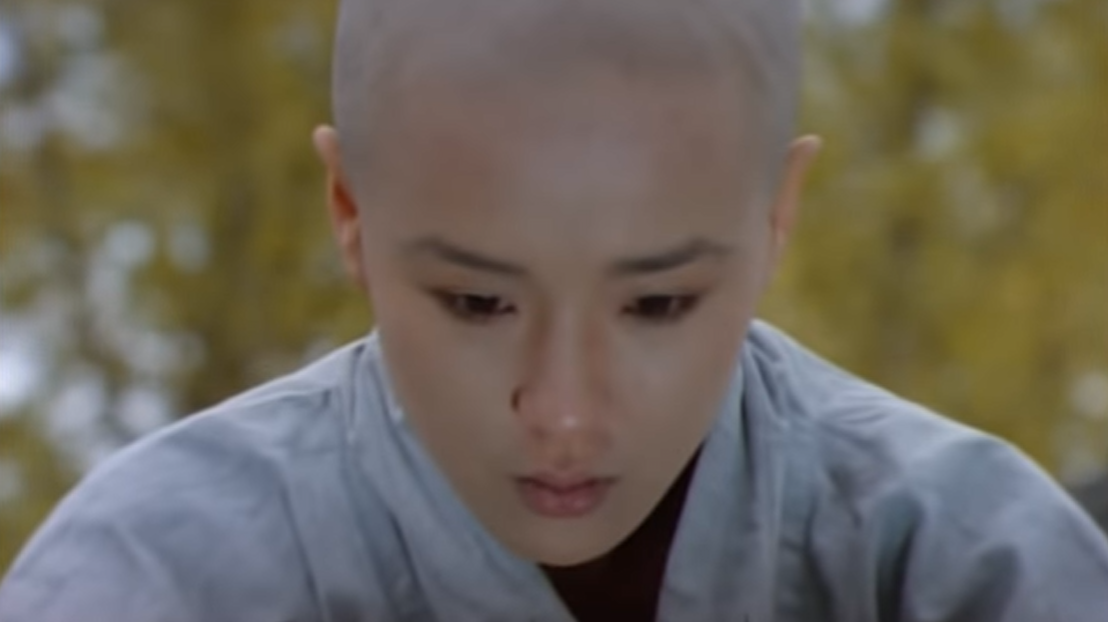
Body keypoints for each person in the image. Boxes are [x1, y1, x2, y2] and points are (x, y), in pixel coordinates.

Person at [2, 0, 1107, 620]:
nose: (565, 414)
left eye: (659, 302)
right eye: (477, 300)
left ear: (777, 214)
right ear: (350, 210)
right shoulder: (150, 582)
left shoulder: (963, 568)